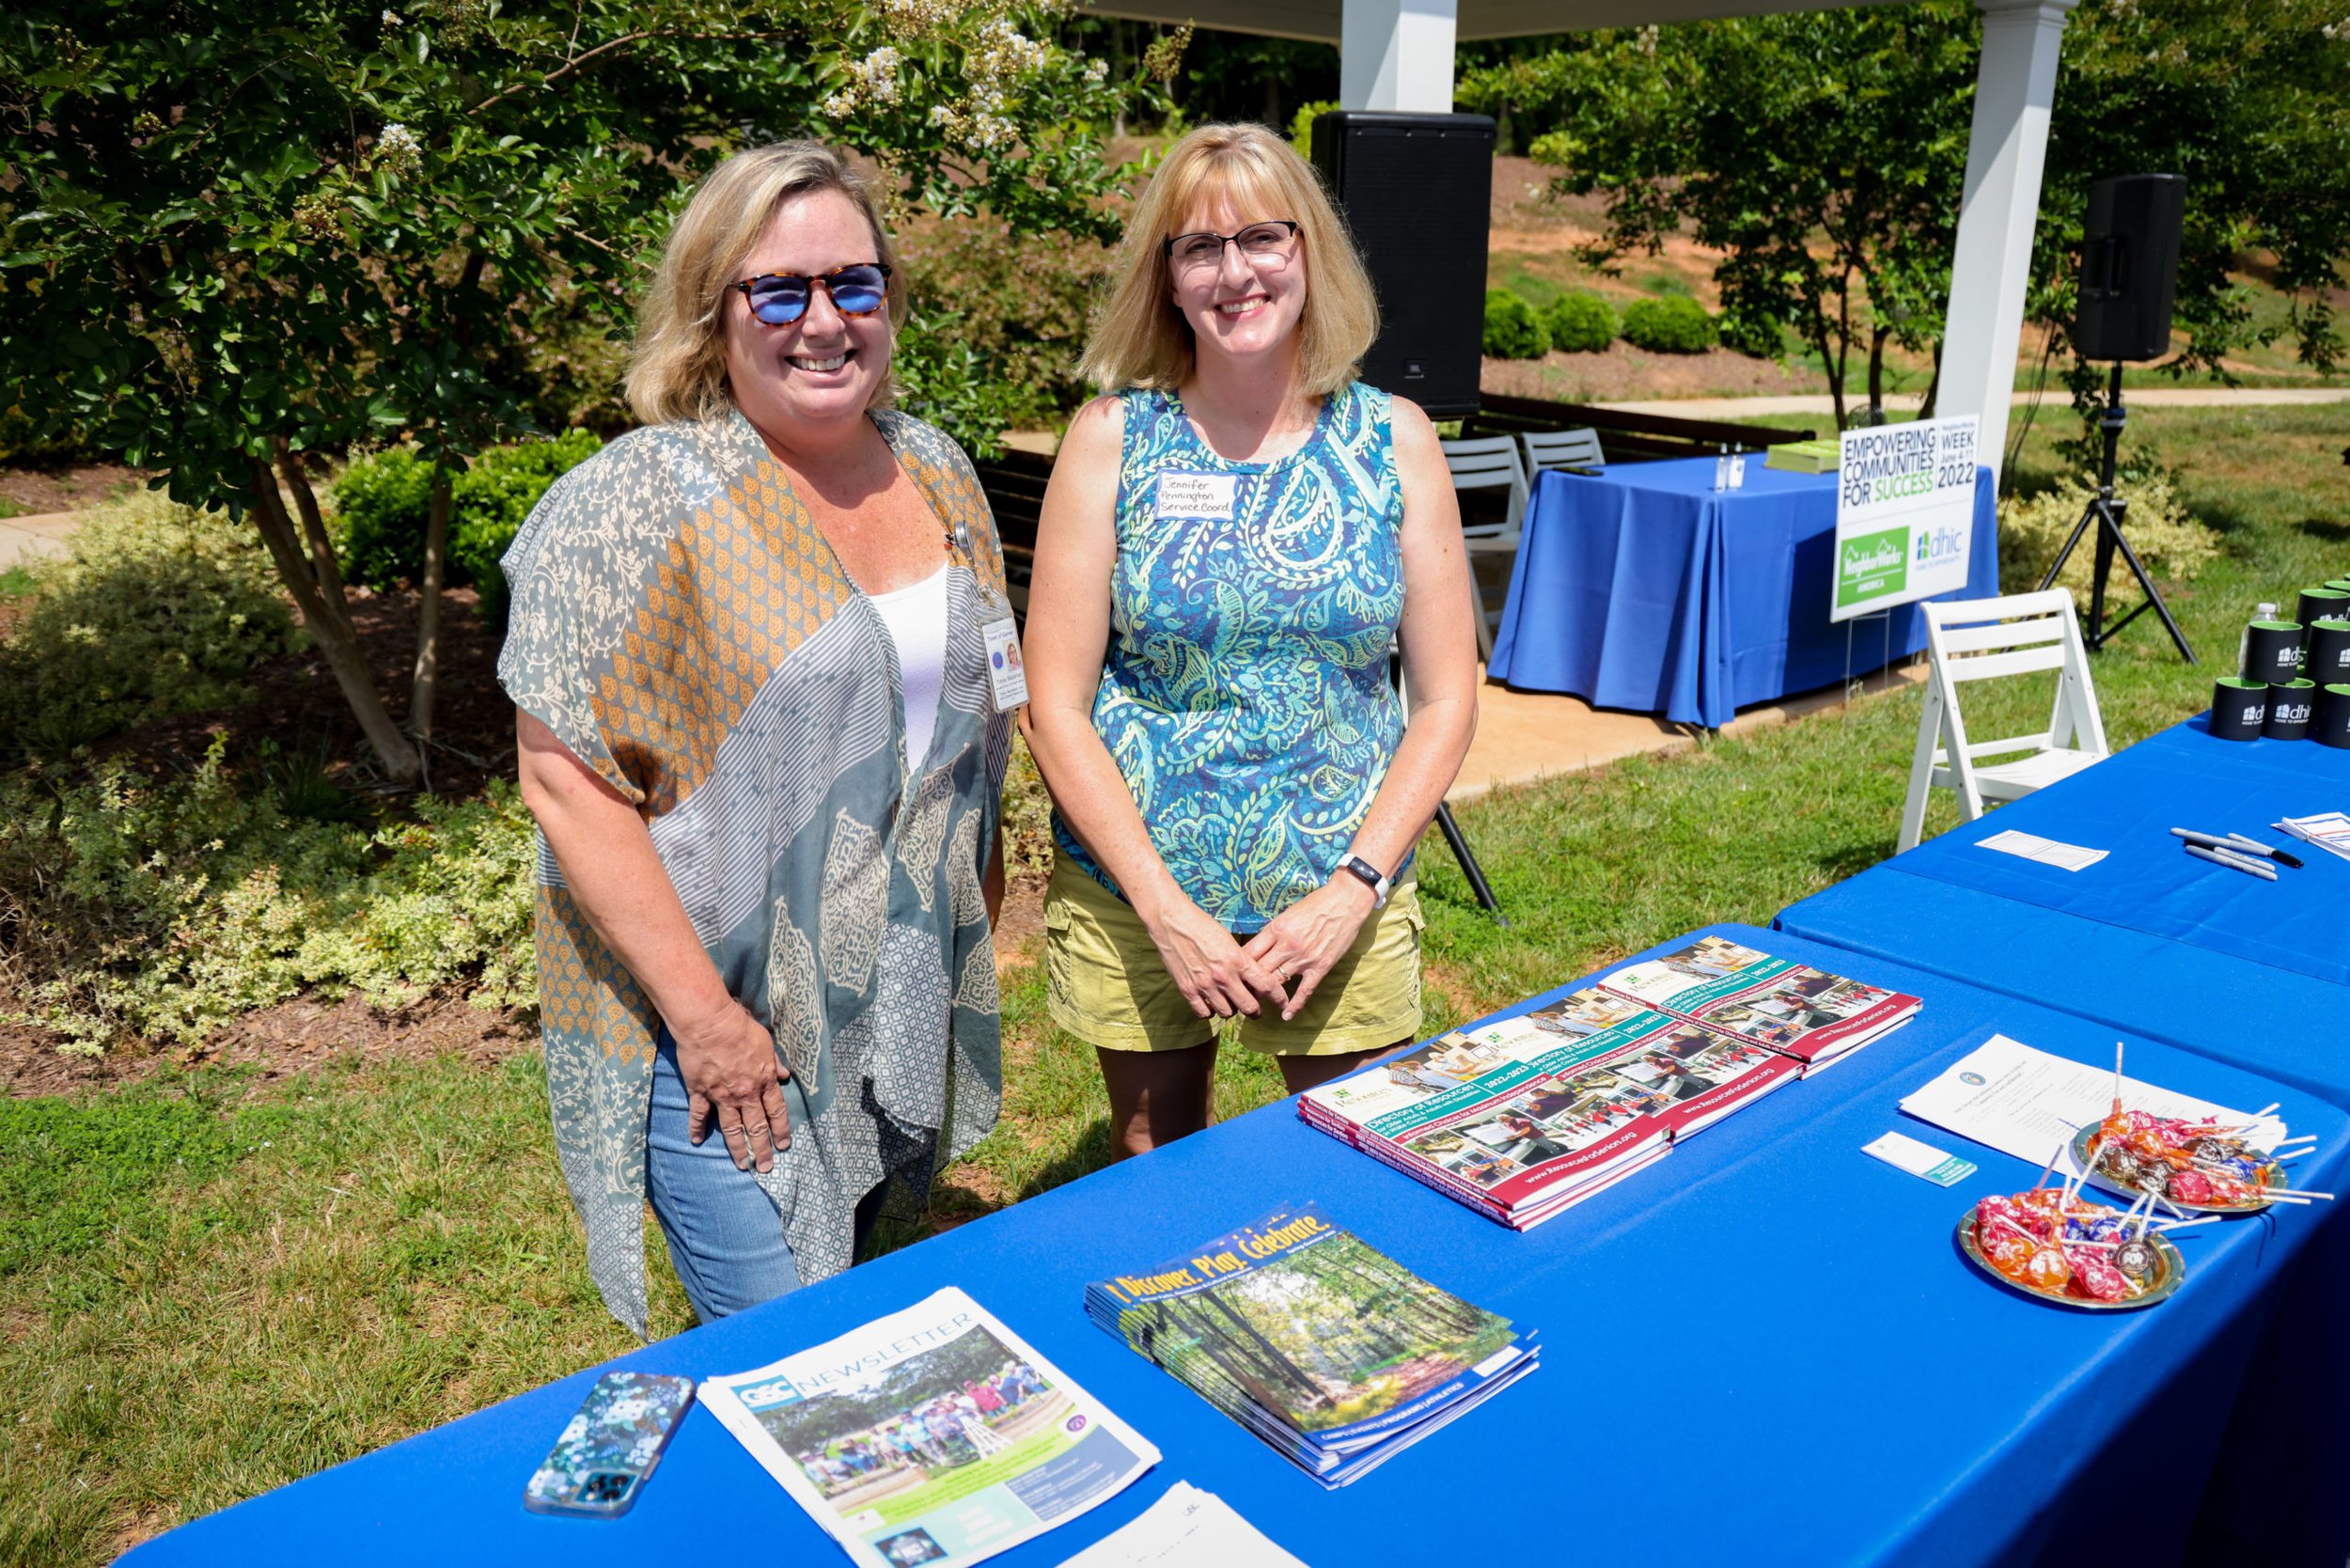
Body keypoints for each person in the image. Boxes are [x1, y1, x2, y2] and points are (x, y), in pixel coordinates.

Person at [504, 142, 1014, 1333]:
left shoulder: (937, 471)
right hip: (713, 1031)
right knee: (798, 1348)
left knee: (862, 1304)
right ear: (711, 313)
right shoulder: (638, 500)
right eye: (779, 291)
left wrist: (963, 929)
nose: (824, 322)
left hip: (889, 992)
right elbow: (565, 777)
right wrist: (709, 1027)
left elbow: (982, 714)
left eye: (854, 283)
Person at [1022, 123, 1480, 1158]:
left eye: (1263, 238)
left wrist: (1351, 893)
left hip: (1341, 889)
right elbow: (1054, 705)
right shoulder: (1112, 442)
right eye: (1200, 248)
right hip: (1136, 890)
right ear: (1168, 279)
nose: (1235, 274)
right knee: (1160, 1170)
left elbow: (1448, 700)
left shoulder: (1394, 440)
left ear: (1310, 251)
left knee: (1354, 1167)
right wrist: (1163, 909)